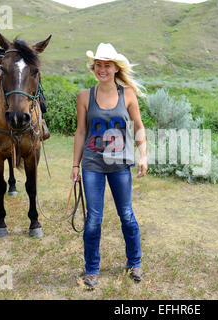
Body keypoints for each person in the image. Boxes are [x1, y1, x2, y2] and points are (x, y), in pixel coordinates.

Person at [71, 43, 148, 289]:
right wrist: (75, 165)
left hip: (120, 165)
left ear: (116, 68)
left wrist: (143, 155)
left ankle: (134, 263)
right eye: (98, 65)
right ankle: (92, 269)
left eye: (107, 65)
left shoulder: (128, 95)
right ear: (94, 67)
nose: (102, 69)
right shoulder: (84, 96)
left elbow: (139, 127)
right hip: (92, 164)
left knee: (126, 215)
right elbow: (81, 131)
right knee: (93, 219)